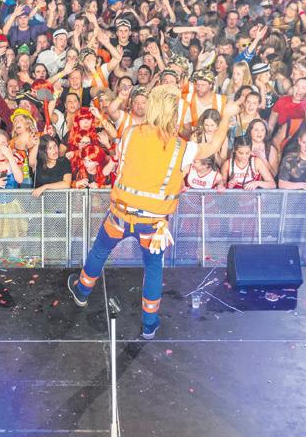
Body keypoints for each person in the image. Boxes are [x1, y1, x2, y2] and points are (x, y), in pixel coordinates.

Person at [68, 86, 239, 339]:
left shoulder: (130, 134)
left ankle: (82, 291)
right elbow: (212, 147)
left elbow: (124, 161)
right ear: (174, 113)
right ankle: (149, 323)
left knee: (100, 251)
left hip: (120, 215)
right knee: (153, 267)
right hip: (153, 224)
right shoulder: (182, 148)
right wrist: (227, 116)